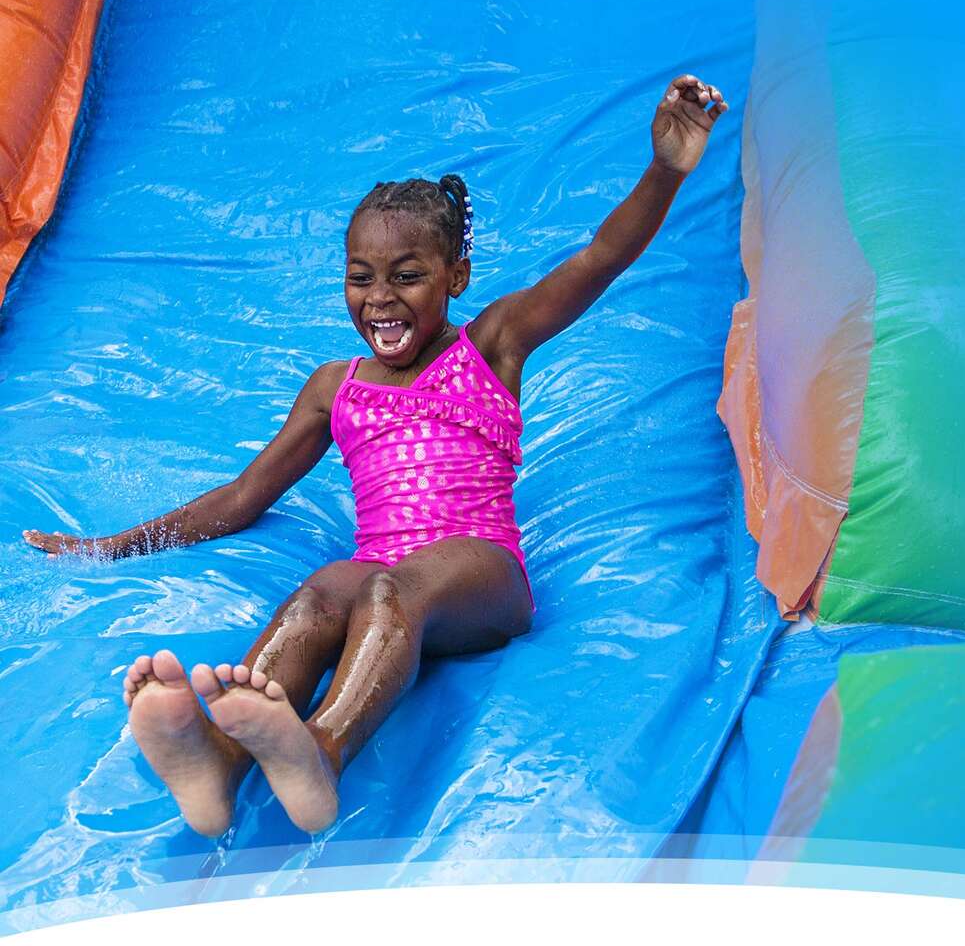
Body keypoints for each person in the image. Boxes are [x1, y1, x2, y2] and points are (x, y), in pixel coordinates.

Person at [22, 74, 729, 837]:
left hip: (480, 570)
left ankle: (322, 753)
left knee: (395, 590)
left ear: (455, 277)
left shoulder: (493, 345)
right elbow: (243, 495)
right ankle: (218, 765)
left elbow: (598, 259)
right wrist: (107, 549)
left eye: (408, 276)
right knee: (321, 592)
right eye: (361, 279)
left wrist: (664, 170)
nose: (381, 299)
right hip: (377, 570)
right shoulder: (337, 387)